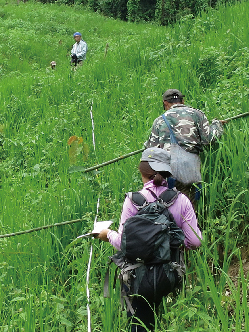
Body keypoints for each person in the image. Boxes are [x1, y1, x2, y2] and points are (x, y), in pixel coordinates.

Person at [97, 147, 202, 332]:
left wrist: (107, 235)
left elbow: (123, 244)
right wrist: (173, 244)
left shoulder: (133, 201)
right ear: (168, 172)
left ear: (141, 171)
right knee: (168, 319)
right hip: (169, 276)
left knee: (140, 324)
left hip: (138, 278)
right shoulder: (181, 200)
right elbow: (194, 242)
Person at [144, 89, 226, 201]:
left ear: (165, 103)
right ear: (183, 100)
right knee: (191, 206)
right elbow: (209, 139)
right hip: (191, 167)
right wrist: (217, 125)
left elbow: (151, 150)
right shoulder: (197, 114)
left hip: (169, 170)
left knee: (173, 205)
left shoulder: (159, 121)